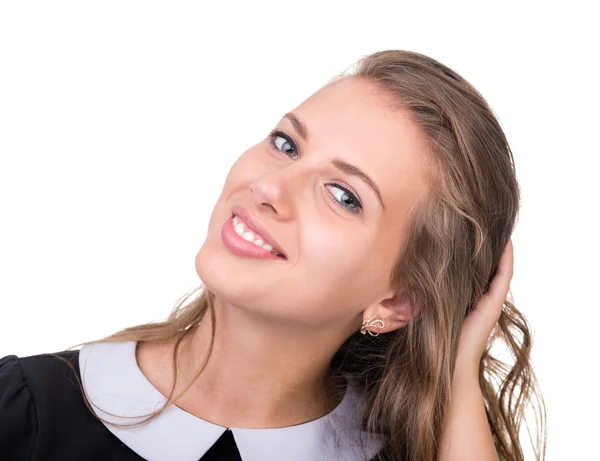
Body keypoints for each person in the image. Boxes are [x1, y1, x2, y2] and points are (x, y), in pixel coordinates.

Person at [0, 49, 546, 461]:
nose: (270, 188)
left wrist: (457, 365)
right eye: (287, 145)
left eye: (343, 195)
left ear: (398, 300)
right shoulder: (26, 412)